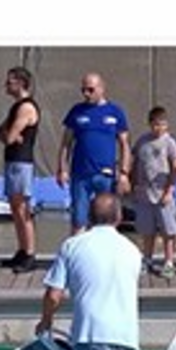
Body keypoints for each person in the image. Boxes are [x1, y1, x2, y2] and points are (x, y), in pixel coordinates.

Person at [35, 193, 141, 350]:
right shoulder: (133, 251)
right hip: (126, 339)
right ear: (119, 217)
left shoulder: (72, 246)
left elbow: (53, 295)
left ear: (89, 216)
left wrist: (45, 322)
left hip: (92, 336)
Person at [57, 72, 132, 235]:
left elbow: (125, 145)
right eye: (83, 90)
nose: (86, 94)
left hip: (105, 175)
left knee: (107, 221)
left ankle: (105, 250)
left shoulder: (115, 112)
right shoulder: (77, 111)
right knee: (79, 219)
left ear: (101, 88)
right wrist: (62, 169)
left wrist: (124, 173)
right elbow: (66, 144)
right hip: (81, 175)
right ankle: (78, 248)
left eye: (90, 90)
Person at [0, 66, 40, 273]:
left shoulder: (26, 108)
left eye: (10, 82)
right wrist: (8, 134)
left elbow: (9, 137)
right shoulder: (16, 107)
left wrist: (9, 134)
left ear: (21, 83)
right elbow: (0, 132)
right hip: (12, 161)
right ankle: (22, 250)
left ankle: (29, 253)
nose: (6, 85)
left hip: (22, 163)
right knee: (15, 208)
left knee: (23, 209)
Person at [131, 106, 176, 278]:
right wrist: (133, 184)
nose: (159, 128)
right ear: (149, 124)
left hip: (163, 194)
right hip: (144, 194)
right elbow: (134, 162)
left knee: (168, 230)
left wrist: (170, 191)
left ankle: (169, 262)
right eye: (155, 124)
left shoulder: (170, 142)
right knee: (147, 230)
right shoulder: (142, 141)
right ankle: (147, 259)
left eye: (162, 124)